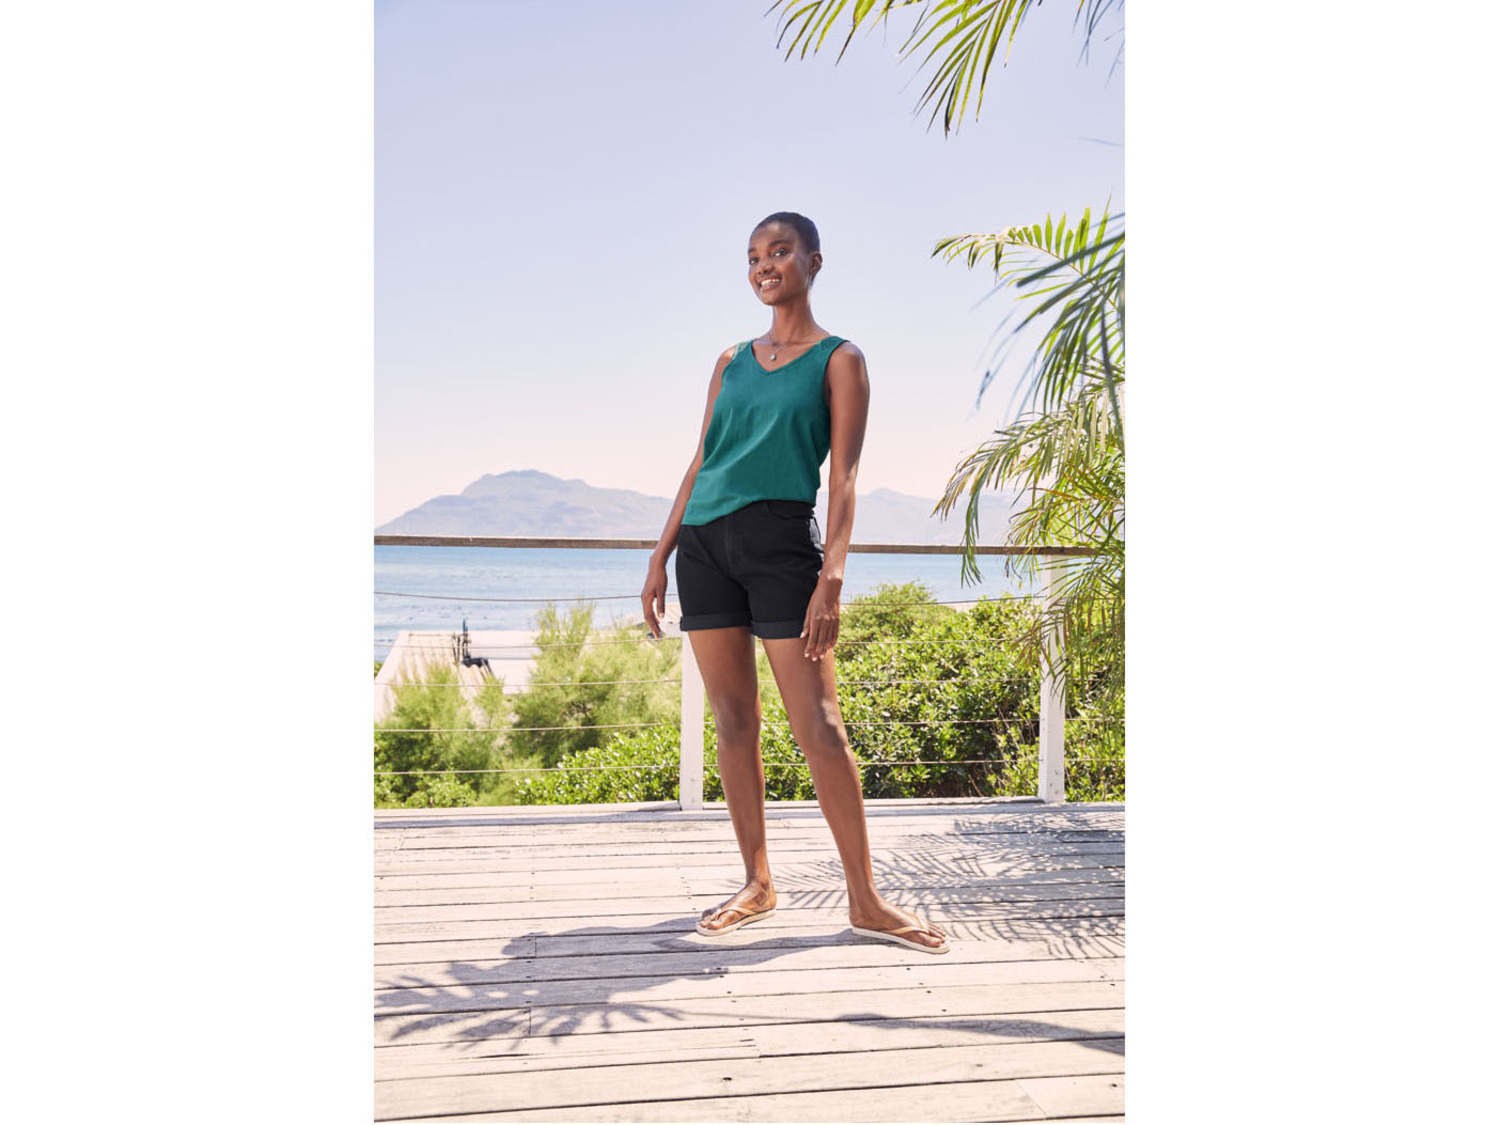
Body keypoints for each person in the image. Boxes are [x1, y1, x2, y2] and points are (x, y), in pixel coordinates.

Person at [640, 212, 950, 954]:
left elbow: (843, 475)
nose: (764, 266)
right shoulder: (730, 359)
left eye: (779, 252)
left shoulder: (841, 360)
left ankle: (866, 899)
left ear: (813, 261)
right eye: (753, 257)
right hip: (704, 547)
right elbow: (701, 458)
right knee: (733, 720)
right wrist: (661, 552)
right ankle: (757, 883)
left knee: (820, 725)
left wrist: (831, 576)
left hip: (782, 546)